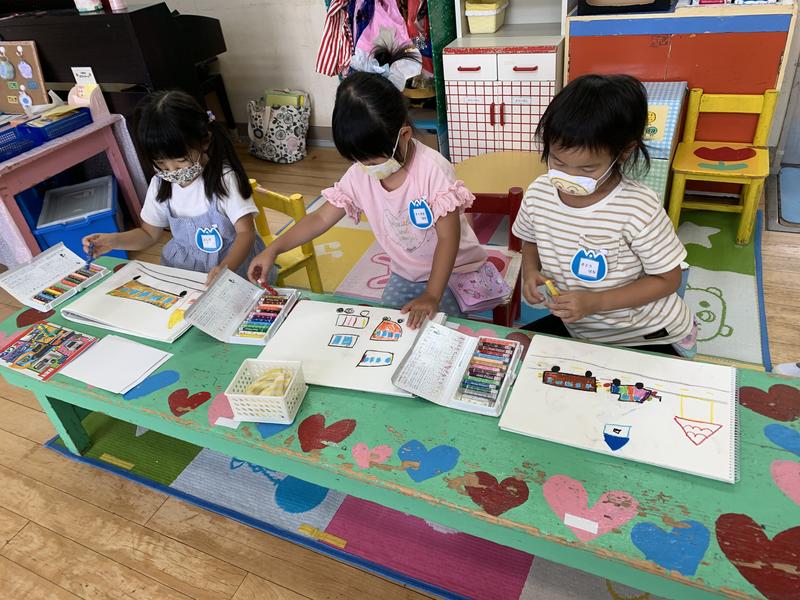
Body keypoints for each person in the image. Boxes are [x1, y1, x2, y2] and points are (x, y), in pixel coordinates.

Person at [248, 46, 487, 328]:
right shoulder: (360, 173)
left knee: (441, 331)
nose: (367, 168)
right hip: (407, 273)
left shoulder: (432, 171)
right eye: (358, 160)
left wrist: (432, 295)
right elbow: (320, 218)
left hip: (454, 269)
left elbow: (448, 239)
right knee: (388, 328)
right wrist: (274, 249)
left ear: (404, 135)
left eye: (373, 160)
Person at [513, 74, 696, 357]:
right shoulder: (539, 192)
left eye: (587, 169)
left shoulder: (638, 207)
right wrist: (530, 271)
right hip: (583, 328)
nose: (569, 177)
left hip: (647, 334)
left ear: (623, 152)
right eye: (558, 161)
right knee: (514, 346)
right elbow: (531, 239)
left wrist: (595, 302)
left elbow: (668, 279)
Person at [82, 90, 270, 284]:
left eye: (180, 161)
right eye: (161, 164)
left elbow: (246, 233)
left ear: (204, 142)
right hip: (185, 270)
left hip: (234, 267)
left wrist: (225, 268)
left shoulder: (225, 180)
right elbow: (148, 234)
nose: (172, 171)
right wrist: (113, 241)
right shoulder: (160, 184)